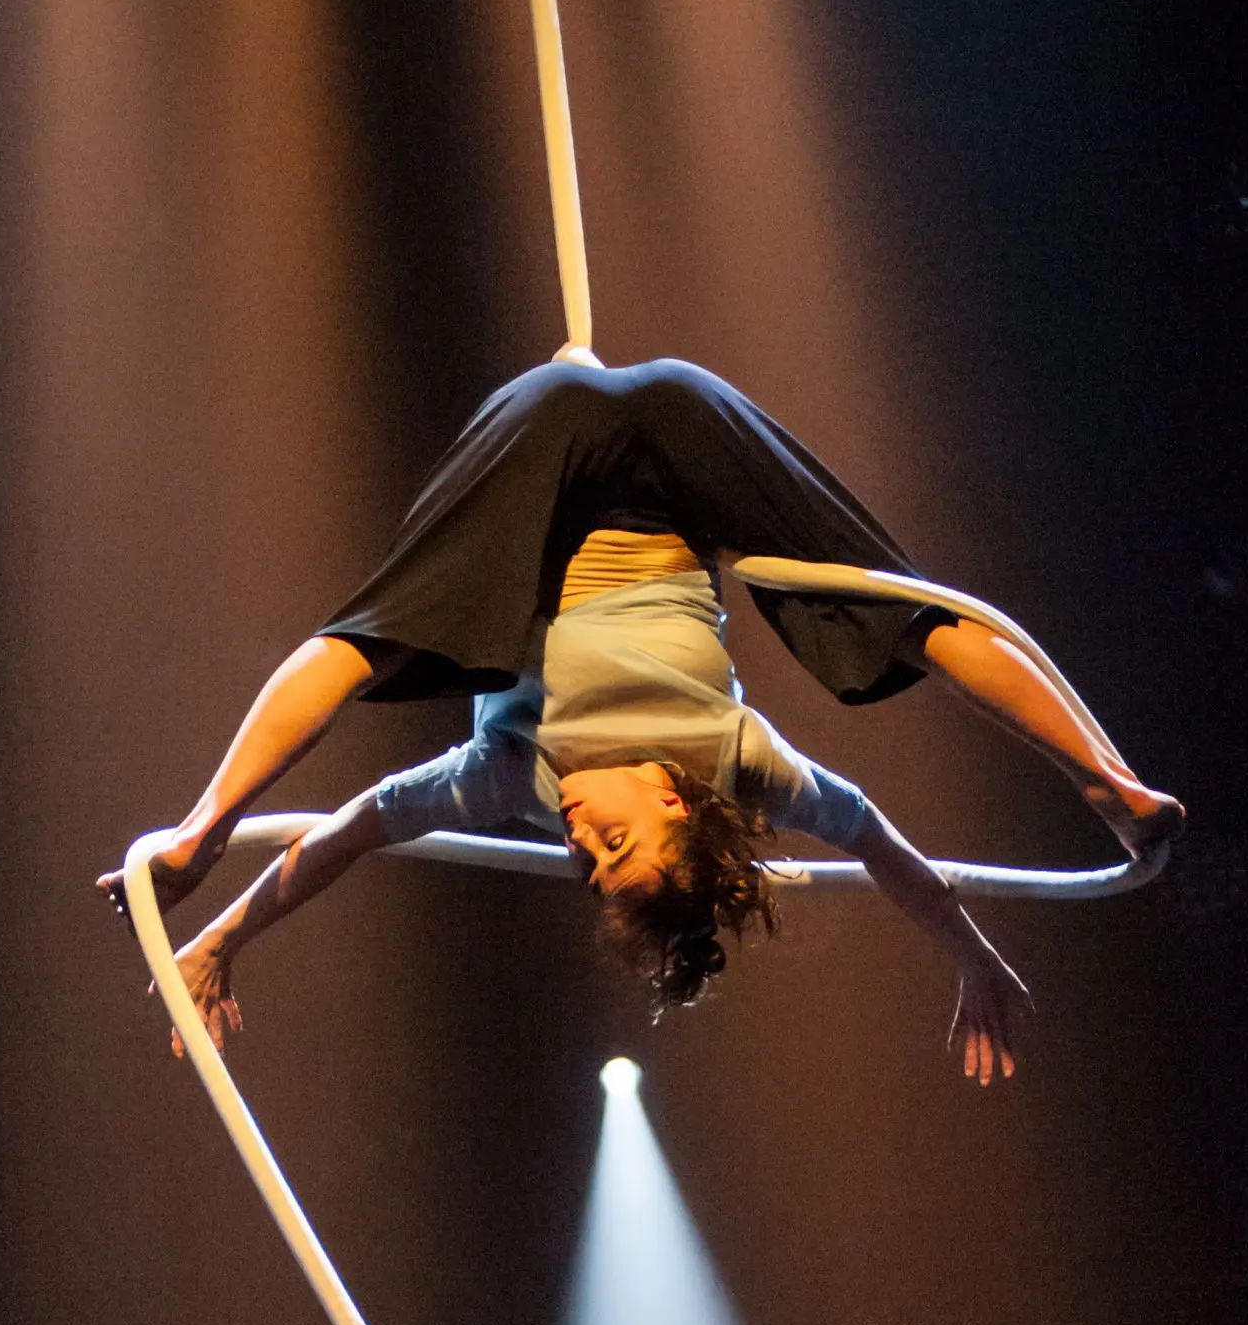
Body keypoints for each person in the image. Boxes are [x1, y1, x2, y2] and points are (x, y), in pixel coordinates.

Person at [99, 357, 1183, 1084]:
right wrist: (974, 957)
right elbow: (890, 853)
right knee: (899, 619)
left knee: (386, 640)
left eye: (587, 862)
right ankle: (1108, 782)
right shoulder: (740, 765)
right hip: (682, 440)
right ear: (675, 797)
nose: (578, 836)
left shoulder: (515, 781)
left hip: (552, 436)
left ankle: (203, 826)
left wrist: (224, 937)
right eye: (616, 842)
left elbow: (343, 836)